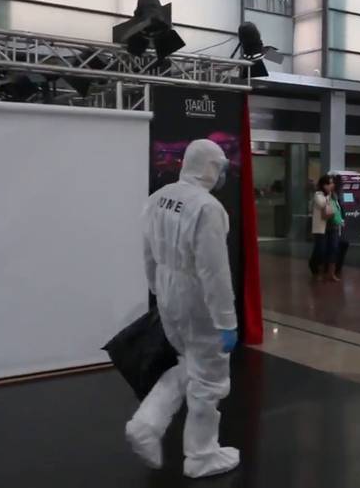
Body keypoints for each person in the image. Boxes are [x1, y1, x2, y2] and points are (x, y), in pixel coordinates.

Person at [125, 139, 240, 478]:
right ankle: (201, 455)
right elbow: (214, 272)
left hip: (168, 291)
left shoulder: (158, 198)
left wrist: (157, 290)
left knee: (187, 365)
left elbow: (147, 252)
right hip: (197, 299)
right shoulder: (207, 208)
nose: (221, 175)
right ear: (208, 167)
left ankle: (146, 425)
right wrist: (226, 322)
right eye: (219, 167)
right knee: (209, 379)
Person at [310, 175, 341, 282]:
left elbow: (337, 208)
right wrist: (329, 195)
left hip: (333, 226)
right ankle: (319, 272)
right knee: (321, 250)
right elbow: (322, 204)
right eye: (330, 183)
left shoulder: (334, 195)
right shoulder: (318, 194)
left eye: (332, 183)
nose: (332, 185)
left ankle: (331, 273)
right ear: (324, 185)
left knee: (334, 249)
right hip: (321, 228)